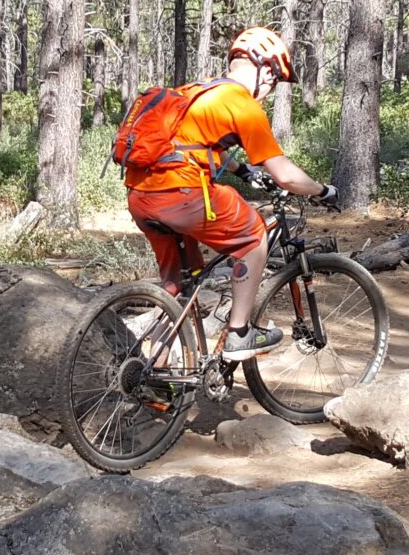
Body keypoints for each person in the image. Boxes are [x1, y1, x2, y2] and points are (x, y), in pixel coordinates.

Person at [122, 27, 336, 360]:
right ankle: (239, 334)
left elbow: (192, 146)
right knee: (253, 237)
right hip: (182, 195)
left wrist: (245, 171)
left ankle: (153, 371)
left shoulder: (196, 91)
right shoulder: (241, 102)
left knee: (179, 286)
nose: (270, 88)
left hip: (140, 196)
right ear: (265, 69)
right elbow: (285, 175)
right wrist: (323, 190)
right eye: (275, 80)